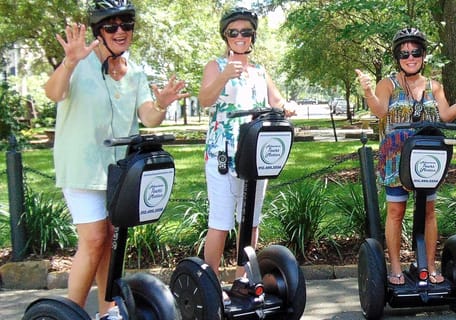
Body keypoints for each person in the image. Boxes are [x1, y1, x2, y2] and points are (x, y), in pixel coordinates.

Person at [43, 0, 188, 318]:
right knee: (94, 238)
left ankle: (107, 309)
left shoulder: (135, 72)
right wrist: (68, 63)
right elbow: (52, 93)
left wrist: (161, 103)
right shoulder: (78, 63)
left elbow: (149, 118)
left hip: (118, 171)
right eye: (112, 26)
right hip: (81, 167)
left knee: (109, 238)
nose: (120, 31)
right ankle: (71, 311)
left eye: (126, 25)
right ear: (99, 31)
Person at [354, 27, 456, 285]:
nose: (410, 57)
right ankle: (395, 266)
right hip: (395, 159)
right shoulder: (388, 83)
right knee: (395, 212)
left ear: (424, 55)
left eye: (415, 52)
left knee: (429, 211)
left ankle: (428, 264)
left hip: (426, 159)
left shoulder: (434, 86)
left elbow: (445, 116)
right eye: (404, 53)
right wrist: (368, 91)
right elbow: (380, 112)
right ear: (397, 57)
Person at [199, 7, 295, 283]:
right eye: (234, 32)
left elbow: (276, 101)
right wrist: (224, 76)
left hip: (254, 153)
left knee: (250, 219)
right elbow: (205, 99)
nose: (240, 37)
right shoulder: (215, 66)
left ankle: (243, 279)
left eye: (246, 32)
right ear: (226, 36)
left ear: (252, 37)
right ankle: (210, 284)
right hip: (223, 153)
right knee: (220, 221)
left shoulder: (260, 71)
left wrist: (288, 106)